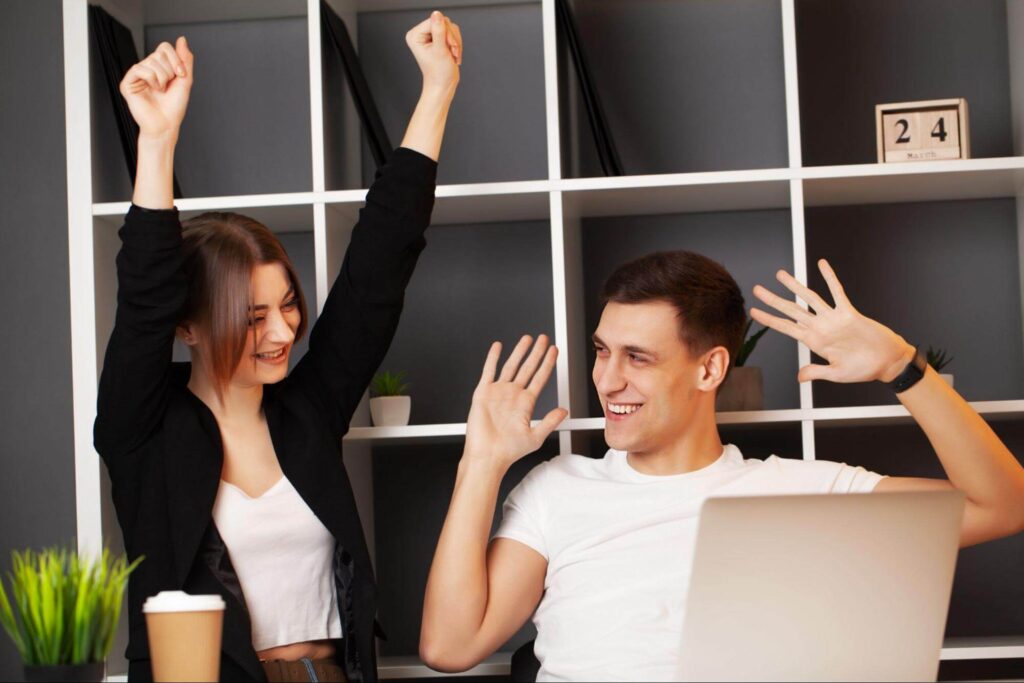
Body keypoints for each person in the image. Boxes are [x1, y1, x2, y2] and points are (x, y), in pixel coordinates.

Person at [420, 251, 1024, 681]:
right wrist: (481, 461)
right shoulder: (556, 489)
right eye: (603, 351)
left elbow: (1003, 505)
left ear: (709, 369)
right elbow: (450, 647)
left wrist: (901, 367)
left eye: (638, 358)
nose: (607, 380)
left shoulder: (800, 490)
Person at [94, 12, 462, 682]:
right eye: (253, 316)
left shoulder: (307, 410)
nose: (284, 332)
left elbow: (379, 267)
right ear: (187, 325)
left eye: (288, 304)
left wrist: (437, 89)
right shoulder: (141, 428)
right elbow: (144, 299)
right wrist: (157, 141)